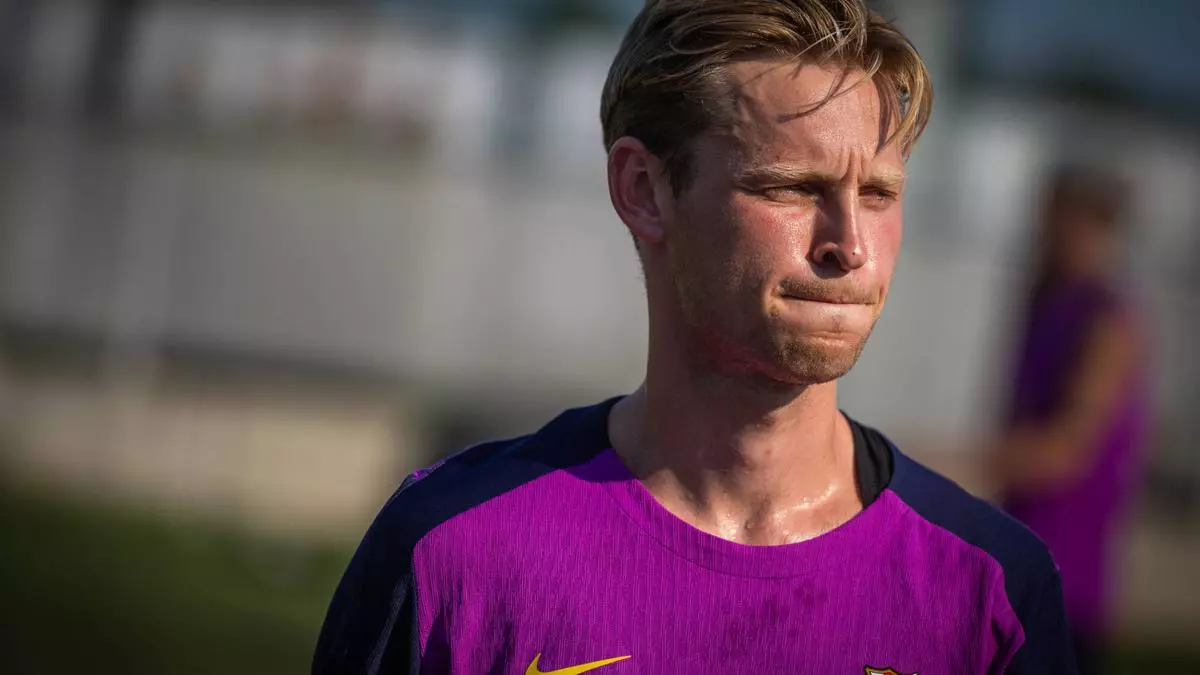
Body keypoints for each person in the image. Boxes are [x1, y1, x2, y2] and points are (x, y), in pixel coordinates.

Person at [313, 2, 1076, 673]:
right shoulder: (450, 549)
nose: (850, 243)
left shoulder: (992, 590)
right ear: (644, 191)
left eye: (878, 193)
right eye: (791, 187)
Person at [995, 165, 1149, 672]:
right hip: (1015, 562)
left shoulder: (1107, 323)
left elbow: (1065, 451)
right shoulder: (1042, 299)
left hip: (1069, 583)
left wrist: (932, 467)